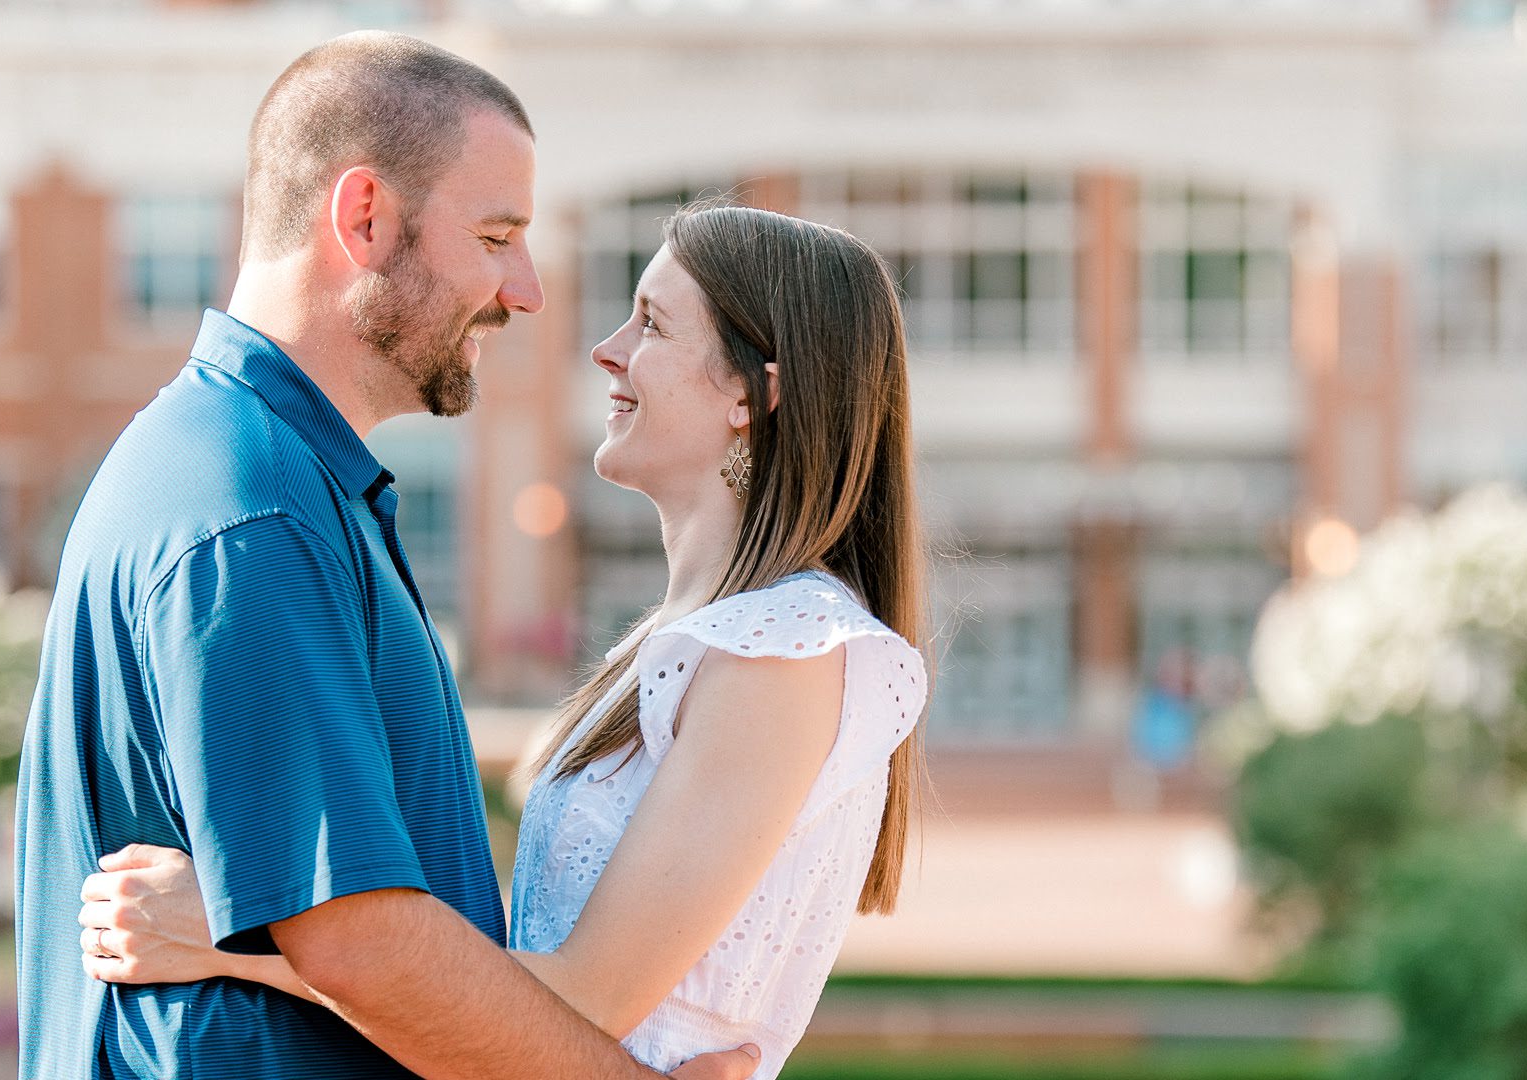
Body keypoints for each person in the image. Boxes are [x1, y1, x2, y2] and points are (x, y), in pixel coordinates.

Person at [16, 31, 758, 1080]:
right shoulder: (252, 511)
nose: (528, 291)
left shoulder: (268, 478)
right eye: (498, 236)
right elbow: (362, 945)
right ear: (364, 218)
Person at [74, 203, 931, 1079]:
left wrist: (227, 939)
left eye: (653, 325)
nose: (608, 347)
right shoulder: (689, 641)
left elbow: (583, 999)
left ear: (754, 393)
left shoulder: (780, 655)